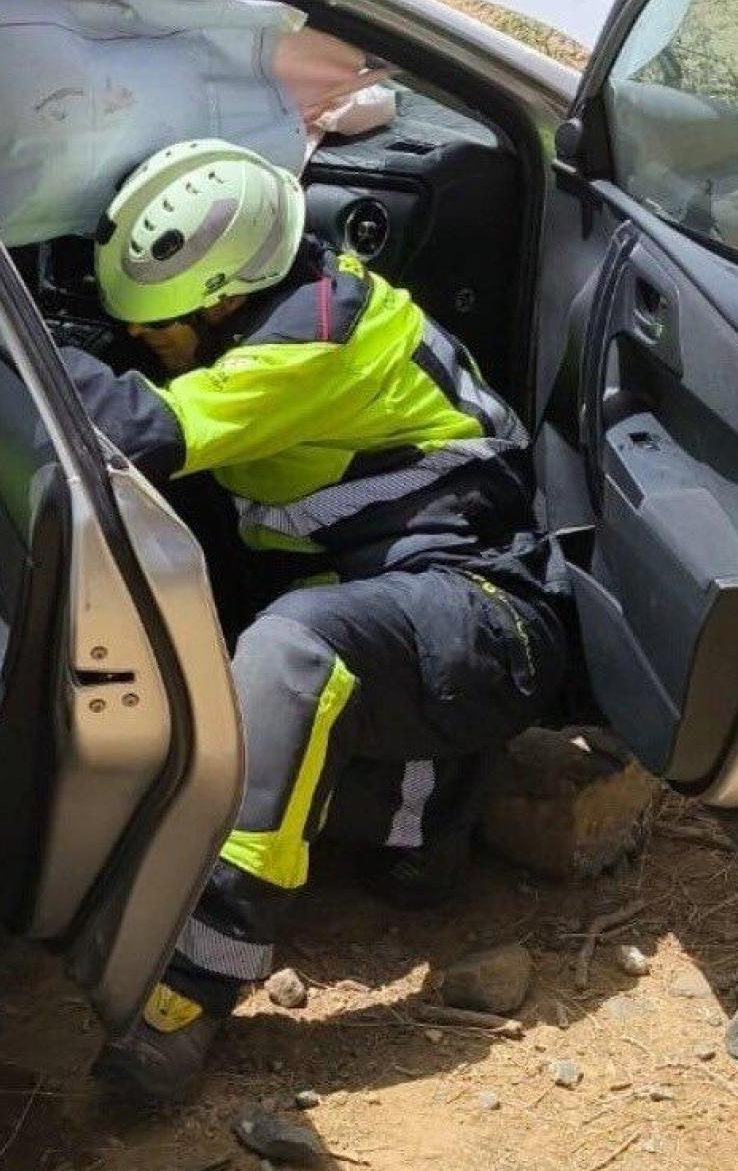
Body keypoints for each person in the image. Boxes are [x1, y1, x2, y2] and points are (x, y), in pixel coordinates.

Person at [58, 139, 569, 1104]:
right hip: (417, 615)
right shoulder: (291, 306)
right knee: (238, 643)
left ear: (219, 300)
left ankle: (198, 983)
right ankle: (426, 813)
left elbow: (137, 431)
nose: (142, 342)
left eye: (157, 325)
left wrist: (15, 347)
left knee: (294, 646)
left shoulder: (314, 342)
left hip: (489, 620)